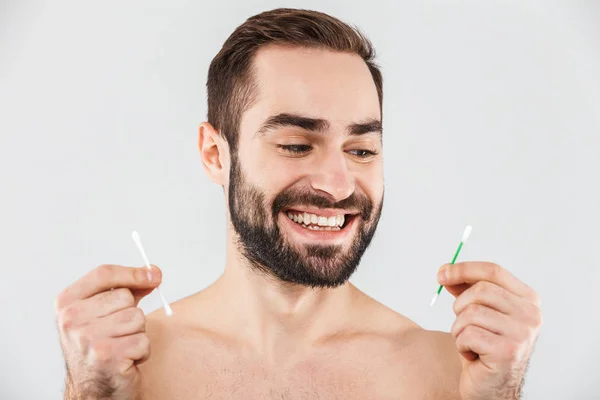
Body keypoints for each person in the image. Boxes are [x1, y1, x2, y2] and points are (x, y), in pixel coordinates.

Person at [55, 8, 542, 399]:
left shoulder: (451, 377)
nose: (337, 184)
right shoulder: (127, 371)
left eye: (362, 150)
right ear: (214, 154)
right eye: (295, 144)